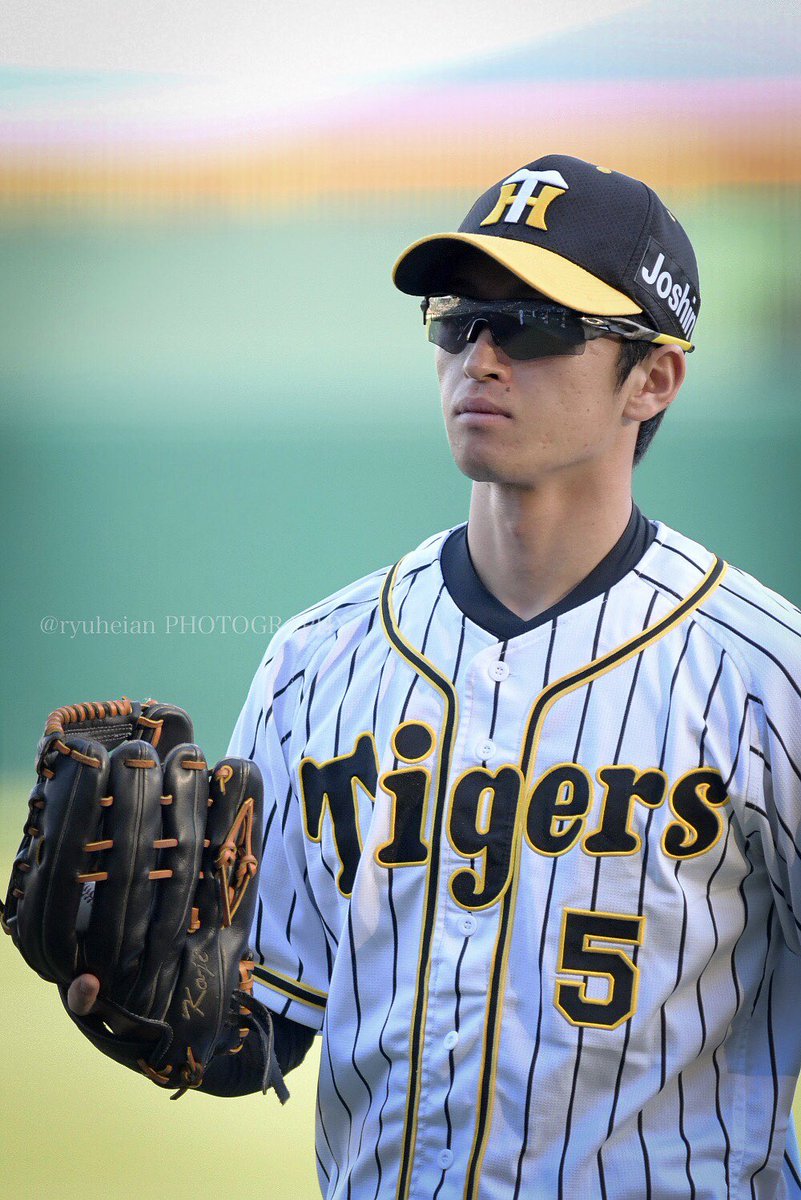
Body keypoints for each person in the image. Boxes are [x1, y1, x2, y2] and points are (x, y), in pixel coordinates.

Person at [70, 153, 801, 1198]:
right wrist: (135, 997)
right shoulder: (313, 664)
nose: (484, 356)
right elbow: (259, 1027)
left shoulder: (768, 678)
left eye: (538, 322)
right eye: (460, 320)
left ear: (655, 377)